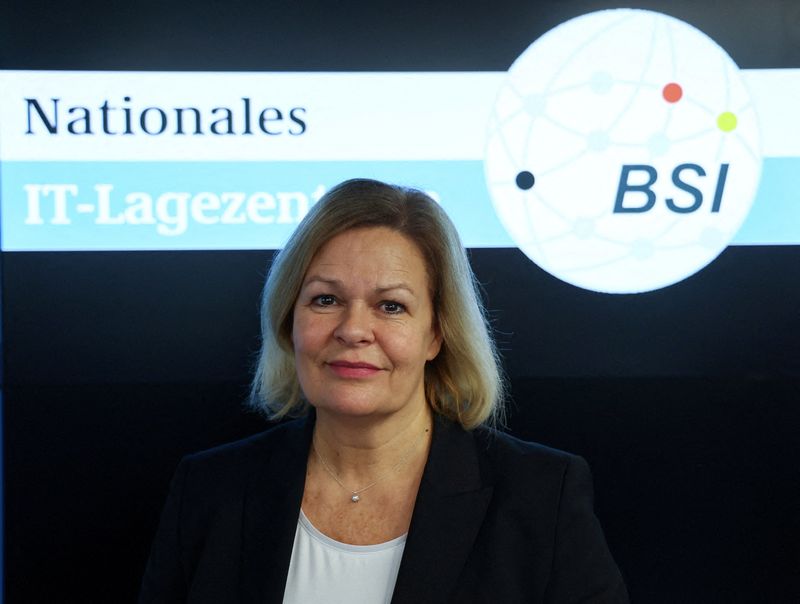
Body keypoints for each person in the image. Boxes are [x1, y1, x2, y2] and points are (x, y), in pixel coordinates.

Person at [139, 178, 629, 603]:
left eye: (391, 306)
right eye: (325, 299)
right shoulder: (210, 489)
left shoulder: (542, 495)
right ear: (290, 321)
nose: (354, 330)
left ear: (436, 333)